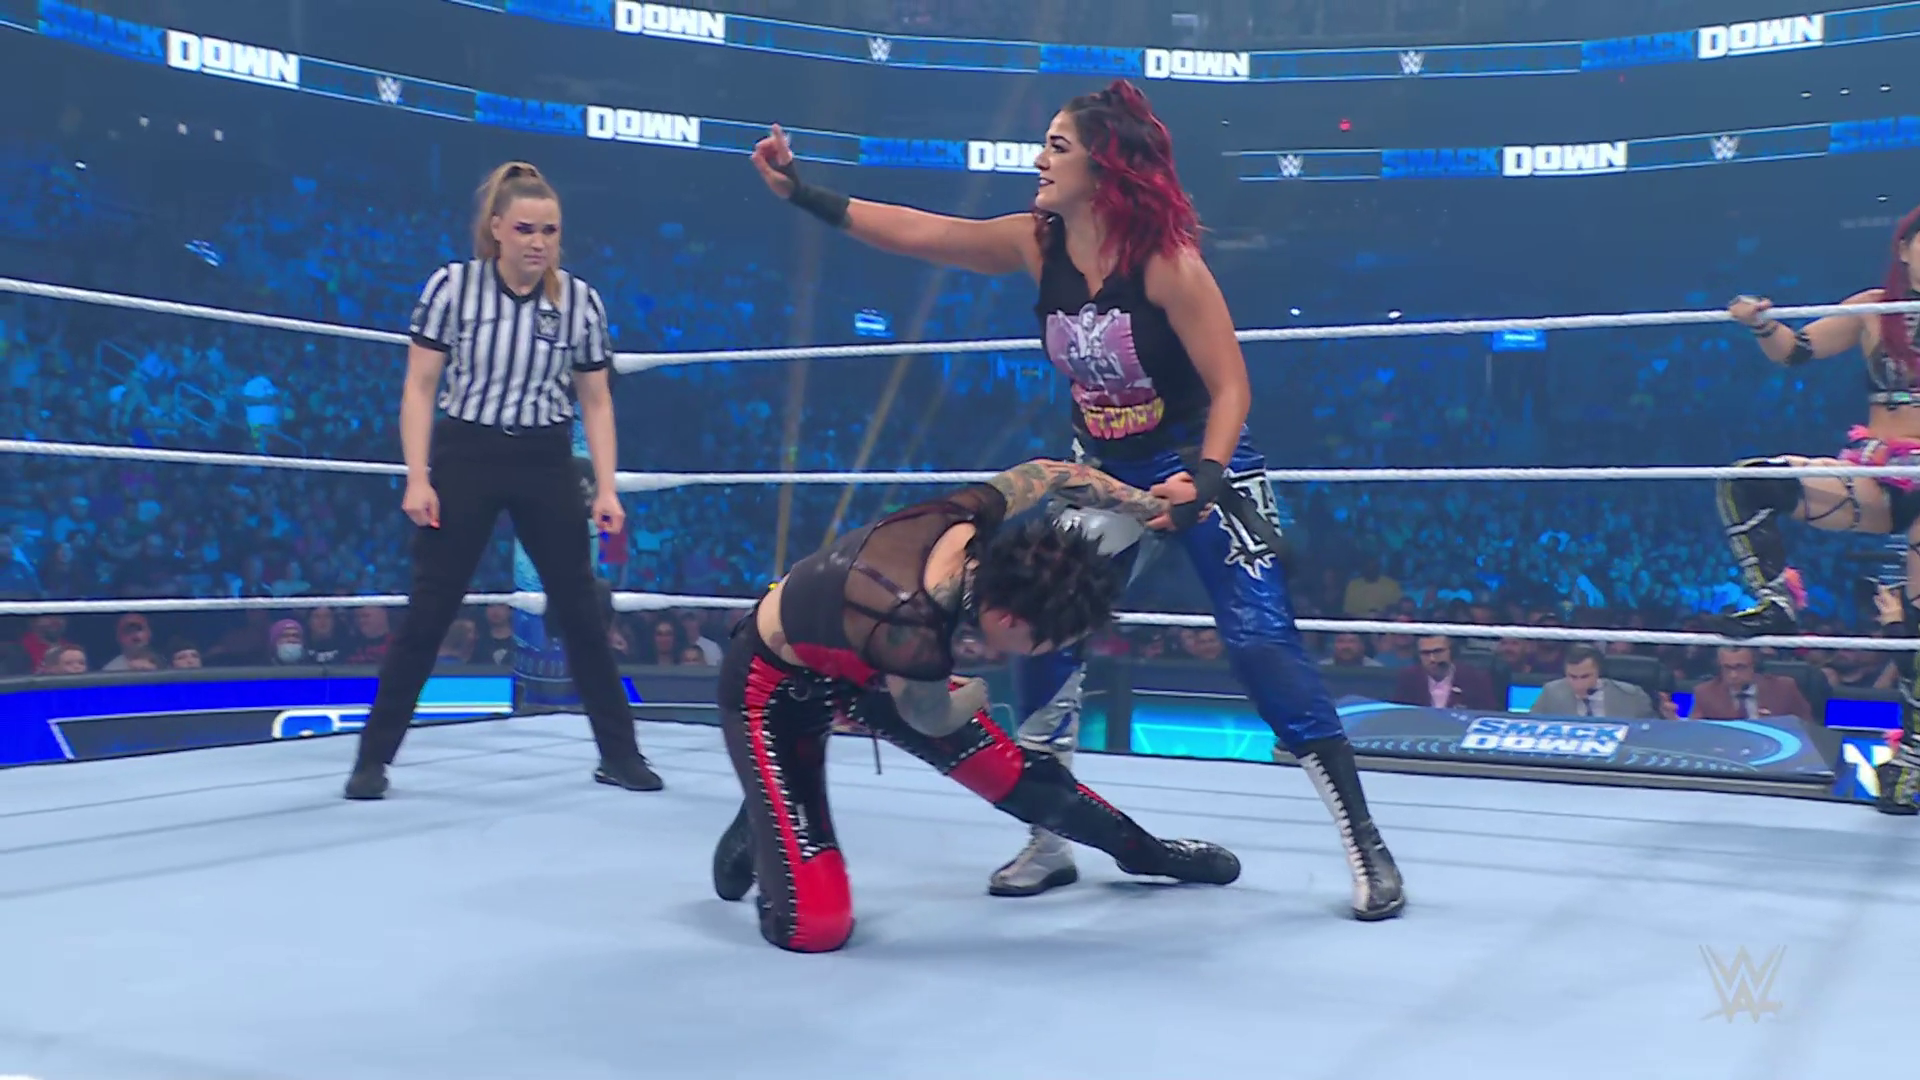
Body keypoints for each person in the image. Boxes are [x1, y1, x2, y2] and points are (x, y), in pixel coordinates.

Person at [747, 78, 1403, 919]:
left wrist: (1203, 479)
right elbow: (927, 233)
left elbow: (1232, 386)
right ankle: (1048, 836)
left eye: (1057, 146)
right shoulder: (1037, 241)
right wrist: (803, 192)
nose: (1038, 160)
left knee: (1259, 640)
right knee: (1035, 626)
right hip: (1100, 469)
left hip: (1205, 463)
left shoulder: (1168, 264)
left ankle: (1364, 842)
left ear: (1105, 167)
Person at [709, 458, 1242, 953]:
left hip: (871, 660)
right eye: (1045, 644)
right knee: (817, 926)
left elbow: (1050, 474)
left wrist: (1153, 507)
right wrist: (976, 692)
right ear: (1010, 620)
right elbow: (931, 717)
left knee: (1023, 781)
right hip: (776, 689)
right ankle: (764, 813)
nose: (1043, 655)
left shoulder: (966, 518)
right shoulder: (911, 625)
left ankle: (1146, 853)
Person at [343, 161, 661, 800]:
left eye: (550, 230)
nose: (538, 242)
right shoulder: (453, 287)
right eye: (525, 229)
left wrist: (606, 487)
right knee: (431, 608)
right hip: (467, 452)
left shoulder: (579, 301)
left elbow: (596, 400)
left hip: (546, 457)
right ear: (496, 228)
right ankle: (372, 759)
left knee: (580, 609)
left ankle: (620, 755)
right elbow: (420, 386)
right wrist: (417, 476)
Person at [1717, 207, 1920, 812]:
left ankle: (1912, 759)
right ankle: (1777, 600)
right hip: (1881, 470)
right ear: (1904, 249)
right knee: (1748, 483)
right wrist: (1760, 323)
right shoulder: (1872, 310)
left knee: (1914, 625)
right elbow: (1796, 351)